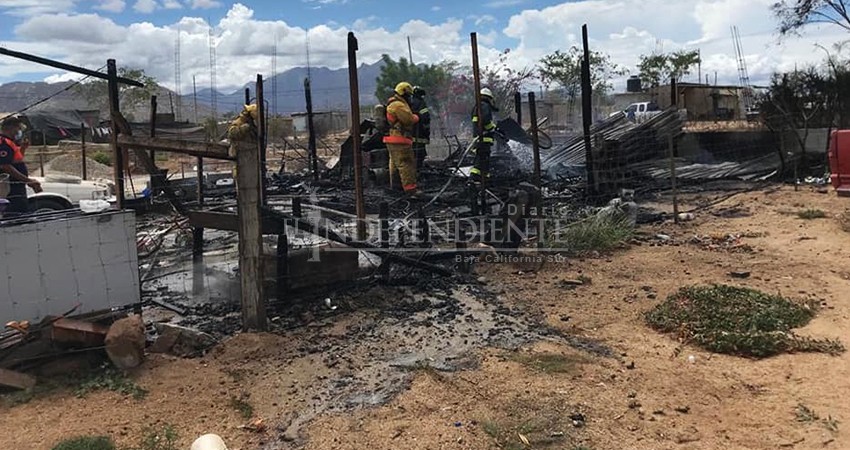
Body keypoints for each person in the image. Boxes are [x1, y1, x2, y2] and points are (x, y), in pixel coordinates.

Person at [383, 81, 420, 196]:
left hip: (393, 139)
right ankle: (410, 190)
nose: (410, 98)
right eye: (409, 95)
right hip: (400, 139)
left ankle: (396, 187)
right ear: (404, 93)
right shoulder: (398, 105)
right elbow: (408, 120)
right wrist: (416, 117)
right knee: (406, 163)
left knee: (395, 164)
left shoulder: (393, 103)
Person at [0, 117, 41, 215]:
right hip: (11, 187)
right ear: (11, 128)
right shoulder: (4, 143)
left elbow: (16, 161)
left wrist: (23, 148)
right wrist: (28, 180)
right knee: (16, 212)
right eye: (18, 128)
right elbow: (5, 166)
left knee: (21, 209)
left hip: (18, 185)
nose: (18, 131)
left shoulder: (11, 142)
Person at [470, 87, 499, 183]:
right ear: (488, 98)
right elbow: (486, 121)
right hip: (484, 138)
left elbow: (480, 122)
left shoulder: (477, 106)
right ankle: (474, 179)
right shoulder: (484, 105)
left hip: (479, 137)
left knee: (482, 159)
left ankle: (483, 178)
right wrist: (491, 129)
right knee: (482, 160)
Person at [409, 86, 431, 169]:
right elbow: (426, 118)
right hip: (420, 134)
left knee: (413, 154)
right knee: (420, 154)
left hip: (410, 135)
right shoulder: (421, 103)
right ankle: (418, 170)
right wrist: (427, 132)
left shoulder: (408, 102)